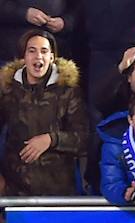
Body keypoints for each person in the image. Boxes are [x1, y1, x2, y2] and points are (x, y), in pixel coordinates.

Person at [0, 29, 88, 196]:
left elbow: (83, 138)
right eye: (32, 51)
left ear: (52, 57)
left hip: (58, 193)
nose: (38, 56)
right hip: (15, 192)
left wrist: (51, 139)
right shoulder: (7, 90)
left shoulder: (68, 91)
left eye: (44, 51)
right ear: (23, 57)